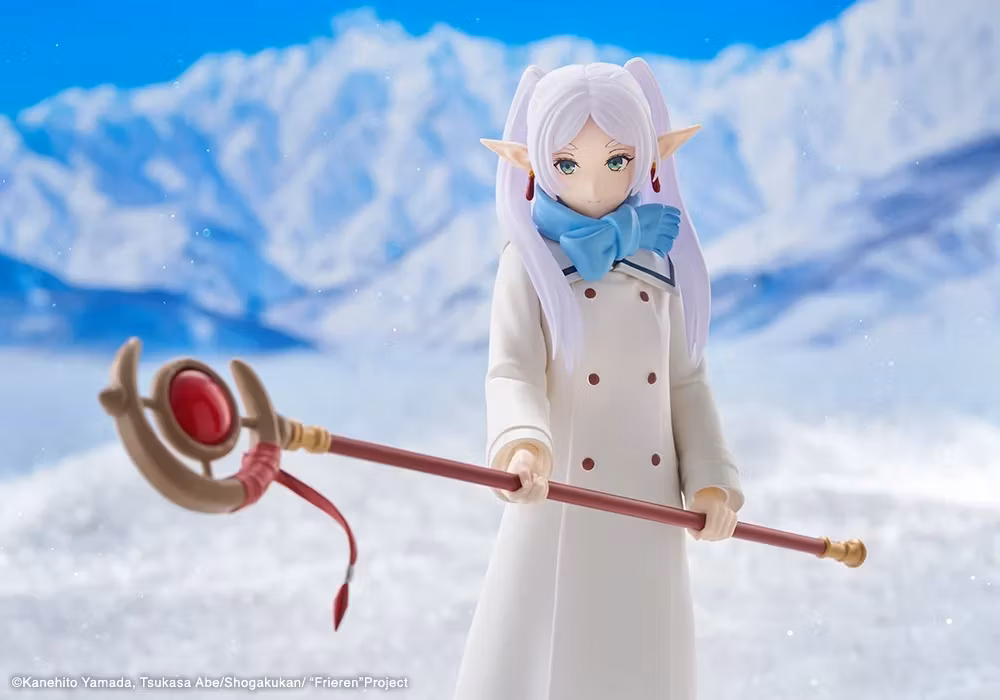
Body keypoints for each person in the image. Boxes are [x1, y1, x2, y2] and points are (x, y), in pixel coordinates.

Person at [452, 59, 745, 700]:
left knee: (642, 657)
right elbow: (512, 370)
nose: (592, 183)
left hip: (648, 502)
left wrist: (710, 480)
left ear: (647, 160)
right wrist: (523, 443)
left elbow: (686, 385)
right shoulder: (529, 263)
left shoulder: (660, 263)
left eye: (616, 161)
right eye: (567, 163)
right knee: (546, 654)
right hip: (559, 491)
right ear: (535, 164)